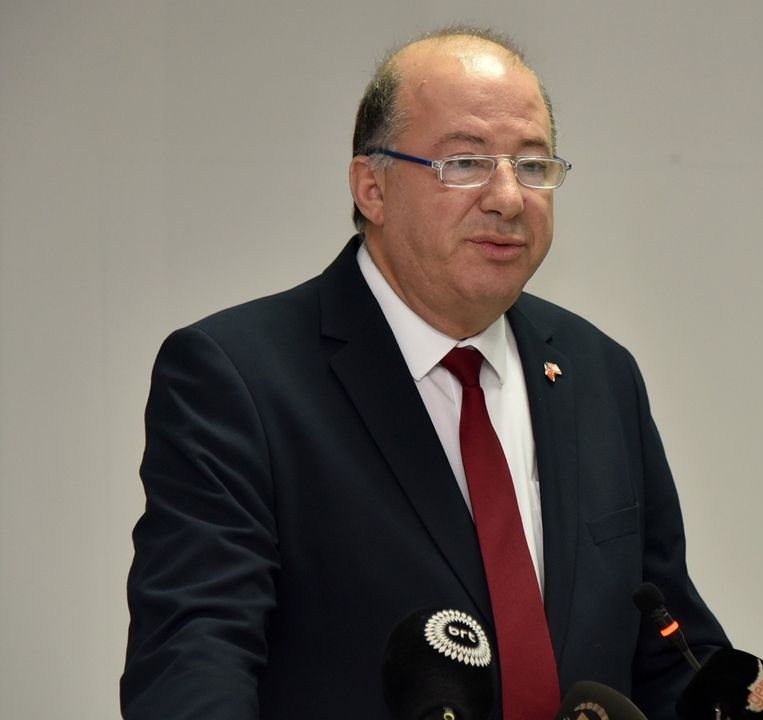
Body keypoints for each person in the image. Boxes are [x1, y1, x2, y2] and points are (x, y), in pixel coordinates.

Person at [121, 26, 728, 720]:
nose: (508, 197)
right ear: (371, 188)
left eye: (533, 166)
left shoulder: (600, 374)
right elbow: (194, 660)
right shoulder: (239, 379)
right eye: (465, 162)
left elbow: (671, 653)